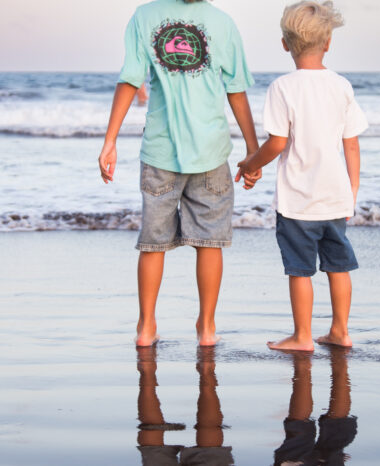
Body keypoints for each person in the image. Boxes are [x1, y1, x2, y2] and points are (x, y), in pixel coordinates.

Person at [98, 0, 260, 347]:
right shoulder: (222, 22)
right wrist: (252, 150)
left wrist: (110, 140)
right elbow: (236, 90)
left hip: (161, 152)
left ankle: (146, 327)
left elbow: (130, 79)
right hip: (209, 151)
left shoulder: (145, 16)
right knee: (209, 242)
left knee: (153, 244)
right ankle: (207, 328)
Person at [236, 0, 368, 352]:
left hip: (297, 200)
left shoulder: (282, 87)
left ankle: (302, 336)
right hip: (335, 196)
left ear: (285, 44)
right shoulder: (341, 85)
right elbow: (352, 144)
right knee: (339, 266)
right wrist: (352, 191)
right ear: (328, 43)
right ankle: (340, 330)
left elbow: (277, 142)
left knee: (300, 269)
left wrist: (251, 165)